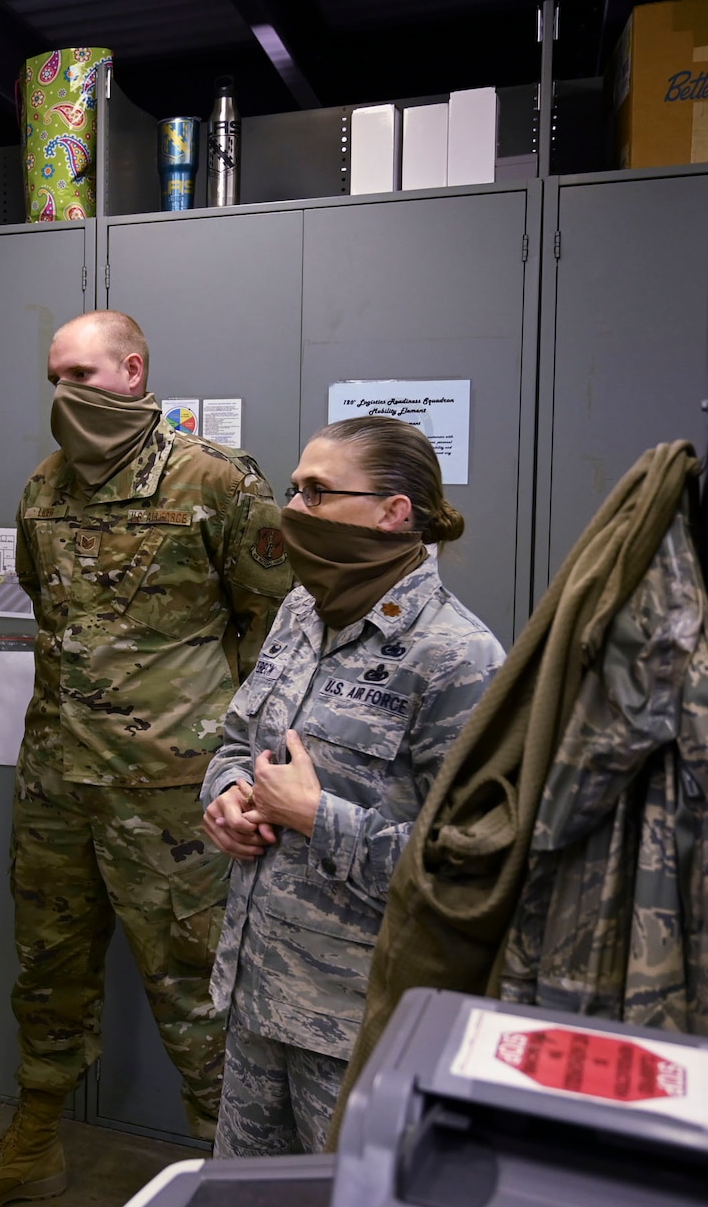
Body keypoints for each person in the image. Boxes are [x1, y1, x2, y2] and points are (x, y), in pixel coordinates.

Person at [0, 312, 293, 1207]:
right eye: (54, 376)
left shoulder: (215, 483)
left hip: (173, 798)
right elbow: (47, 612)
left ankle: (237, 1178)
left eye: (84, 374)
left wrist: (245, 769)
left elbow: (274, 630)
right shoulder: (42, 489)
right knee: (47, 972)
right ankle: (34, 1146)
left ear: (133, 372)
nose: (67, 394)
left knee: (197, 991)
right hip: (56, 784)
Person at [200, 416, 505, 1156]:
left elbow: (472, 870)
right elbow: (240, 740)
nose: (293, 510)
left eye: (316, 493)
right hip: (254, 989)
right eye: (295, 489)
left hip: (356, 1026)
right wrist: (229, 795)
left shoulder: (458, 657)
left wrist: (316, 816)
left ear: (392, 513)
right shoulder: (302, 612)